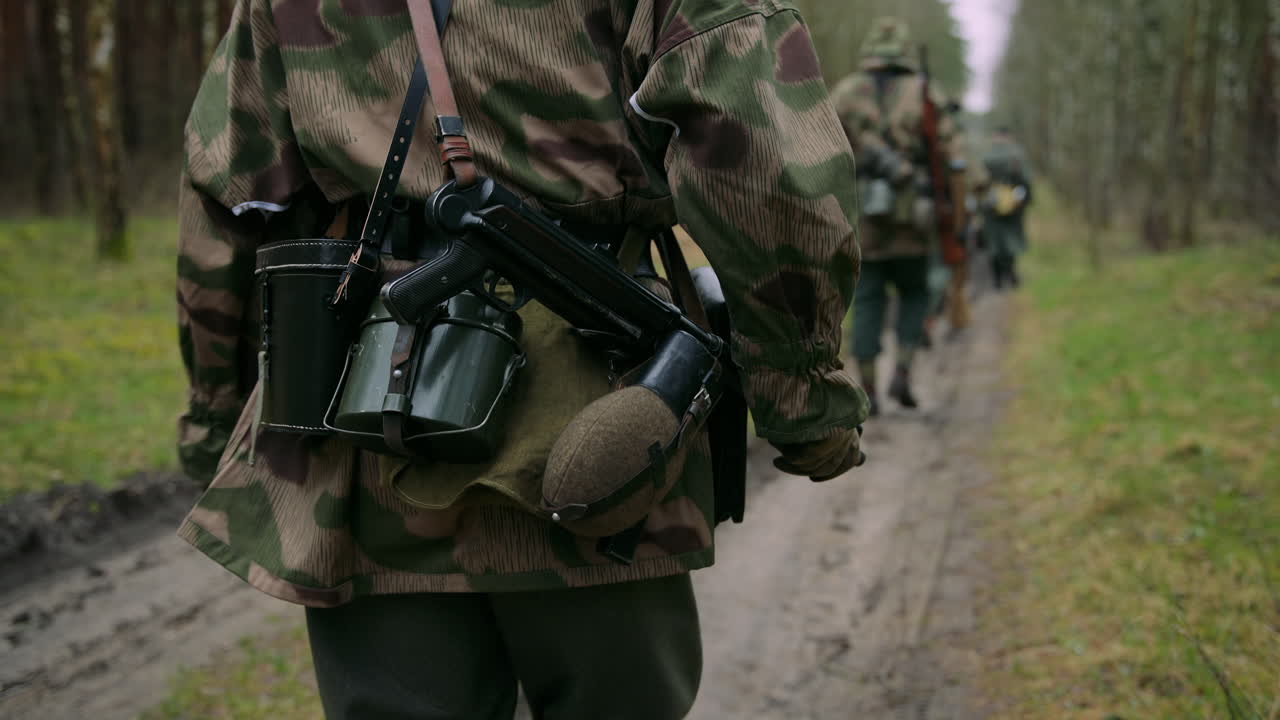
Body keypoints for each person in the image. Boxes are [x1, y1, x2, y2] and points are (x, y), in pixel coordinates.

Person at [175, 1, 868, 718]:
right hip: (598, 409)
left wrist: (215, 412)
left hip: (367, 410)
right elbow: (760, 165)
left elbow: (227, 190)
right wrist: (801, 391)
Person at [830, 17, 964, 415]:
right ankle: (902, 372)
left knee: (868, 299)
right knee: (914, 294)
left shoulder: (846, 92)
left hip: (863, 218)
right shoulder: (923, 91)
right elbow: (952, 150)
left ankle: (867, 384)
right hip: (914, 218)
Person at [980, 126, 1033, 289]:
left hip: (990, 204)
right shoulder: (1016, 155)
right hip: (1013, 203)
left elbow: (978, 181)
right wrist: (1025, 200)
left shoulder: (985, 156)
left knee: (994, 242)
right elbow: (1026, 179)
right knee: (1011, 240)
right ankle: (1011, 275)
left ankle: (997, 279)